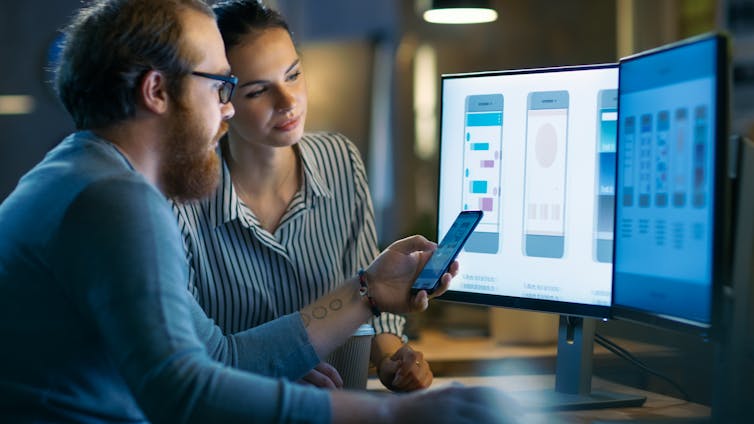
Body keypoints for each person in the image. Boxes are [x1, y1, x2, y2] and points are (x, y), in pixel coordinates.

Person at [0, 0, 518, 422]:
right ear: (157, 90)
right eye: (222, 86)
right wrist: (394, 418)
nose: (226, 109)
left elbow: (219, 359)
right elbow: (187, 396)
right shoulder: (114, 199)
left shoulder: (80, 175)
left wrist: (368, 290)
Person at [172, 0, 431, 392]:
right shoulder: (183, 198)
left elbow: (371, 300)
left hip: (342, 409)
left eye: (293, 75)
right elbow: (183, 356)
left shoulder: (340, 160)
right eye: (260, 91)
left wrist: (393, 358)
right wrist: (265, 371)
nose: (288, 102)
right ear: (222, 101)